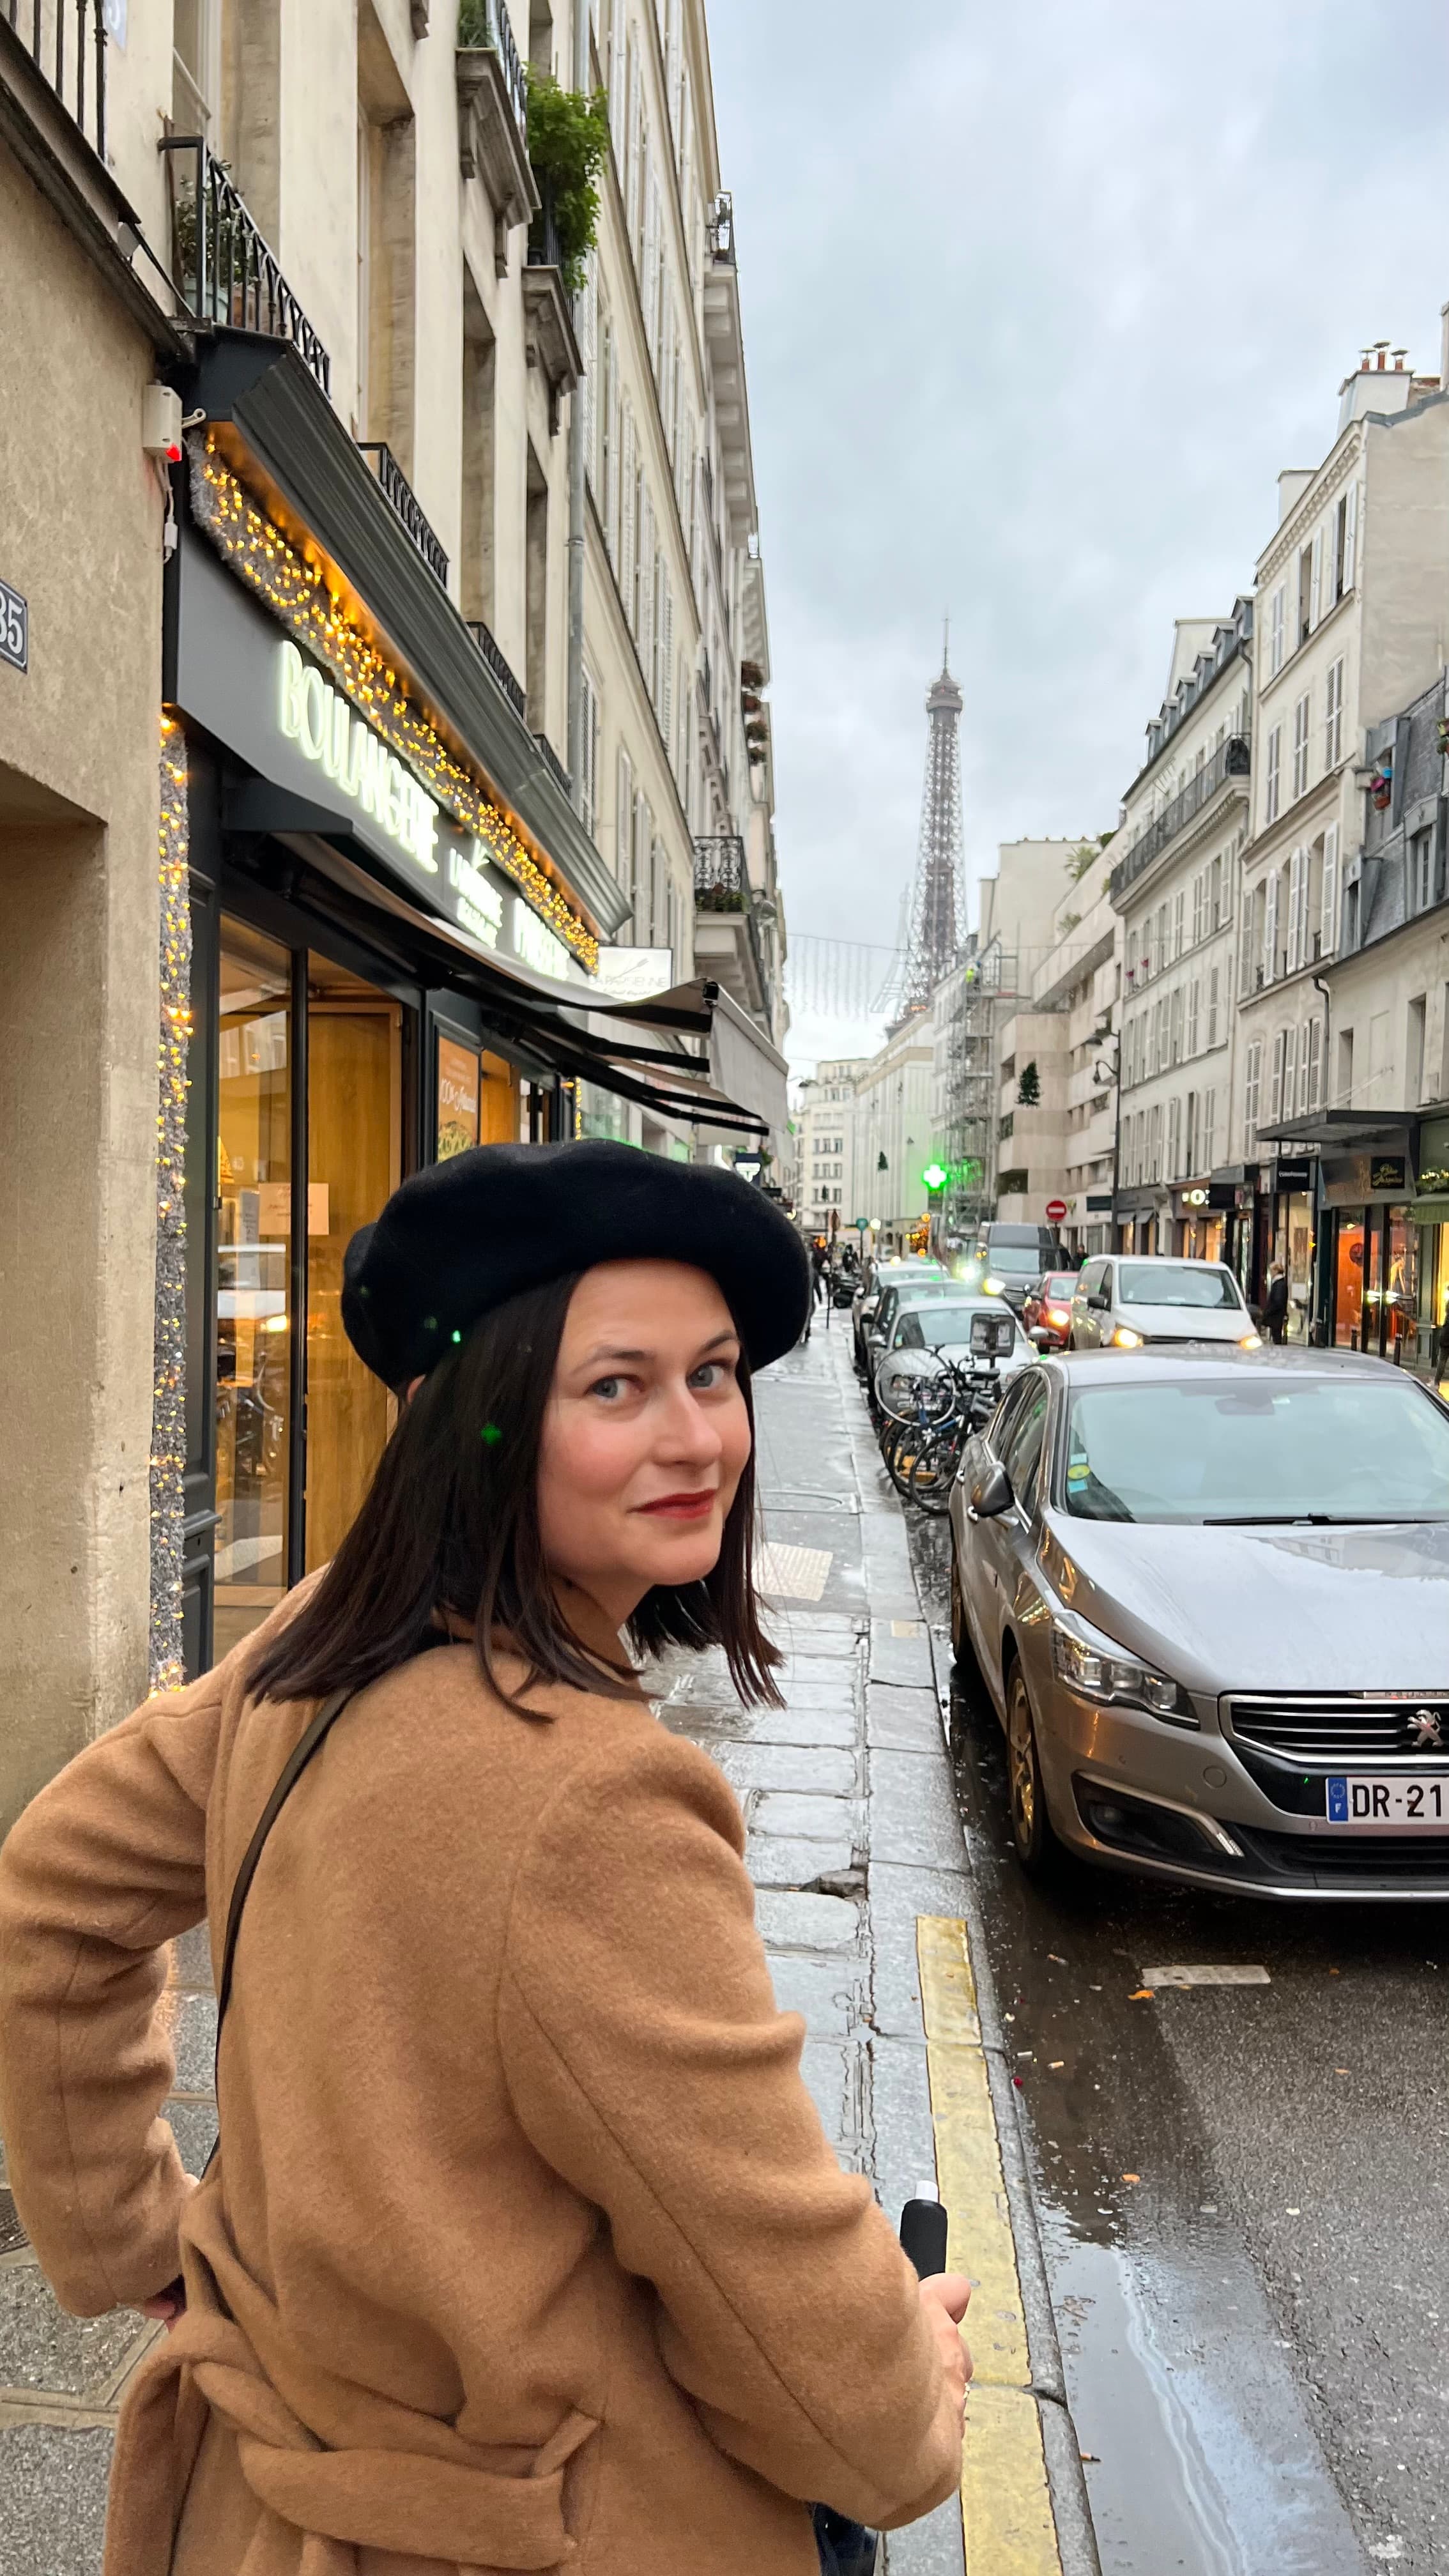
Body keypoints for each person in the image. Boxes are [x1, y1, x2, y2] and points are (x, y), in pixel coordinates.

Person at [0, 1140, 969, 2576]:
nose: (698, 1437)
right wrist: (914, 2391)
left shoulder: (324, 1637)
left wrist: (128, 2230)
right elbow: (806, 2342)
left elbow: (54, 1886)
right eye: (615, 1387)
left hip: (250, 2516)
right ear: (486, 1418)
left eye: (713, 1375)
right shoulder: (601, 1805)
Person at [1263, 1261, 1289, 1344]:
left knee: (1277, 1338)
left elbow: (1278, 1301)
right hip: (1276, 1317)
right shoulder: (1278, 1283)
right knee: (1276, 1337)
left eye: (1271, 1271)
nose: (1270, 1273)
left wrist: (1268, 1311)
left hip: (1277, 1317)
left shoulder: (1279, 1284)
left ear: (1276, 1271)